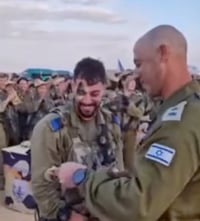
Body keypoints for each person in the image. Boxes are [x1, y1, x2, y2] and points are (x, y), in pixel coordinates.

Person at [56, 25, 200, 221]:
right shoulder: (188, 108)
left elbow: (137, 205)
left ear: (163, 53)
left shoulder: (180, 123)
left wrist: (81, 178)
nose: (136, 74)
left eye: (139, 64)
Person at [31, 57, 124, 221]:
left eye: (94, 94)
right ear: (73, 86)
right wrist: (67, 216)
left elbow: (118, 172)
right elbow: (41, 186)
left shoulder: (111, 124)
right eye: (81, 93)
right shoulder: (50, 128)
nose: (87, 101)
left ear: (104, 89)